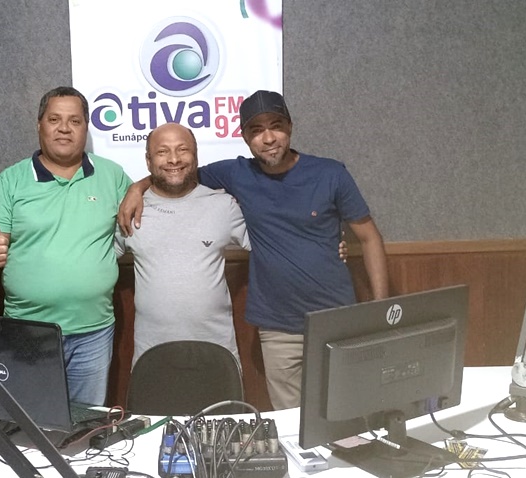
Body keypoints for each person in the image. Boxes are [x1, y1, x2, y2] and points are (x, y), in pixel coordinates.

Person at [118, 90, 388, 410]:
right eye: (257, 130)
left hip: (337, 317)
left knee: (353, 411)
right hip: (277, 327)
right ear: (244, 136)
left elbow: (368, 237)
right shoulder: (236, 173)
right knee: (291, 421)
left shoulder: (329, 173)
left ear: (290, 126)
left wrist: (379, 308)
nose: (268, 138)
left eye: (276, 126)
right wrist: (137, 187)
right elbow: (174, 174)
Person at [0, 86, 132, 406]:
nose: (64, 128)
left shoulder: (112, 176)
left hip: (94, 333)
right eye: (54, 119)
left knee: (87, 423)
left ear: (86, 128)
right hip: (28, 333)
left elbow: (141, 209)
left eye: (75, 121)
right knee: (31, 424)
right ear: (39, 125)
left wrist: (139, 187)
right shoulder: (10, 180)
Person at [114, 122, 250, 368]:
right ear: (148, 161)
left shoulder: (223, 205)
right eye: (162, 151)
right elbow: (95, 261)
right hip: (152, 356)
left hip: (216, 354)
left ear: (195, 156)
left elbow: (270, 246)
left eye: (182, 149)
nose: (174, 159)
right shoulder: (130, 210)